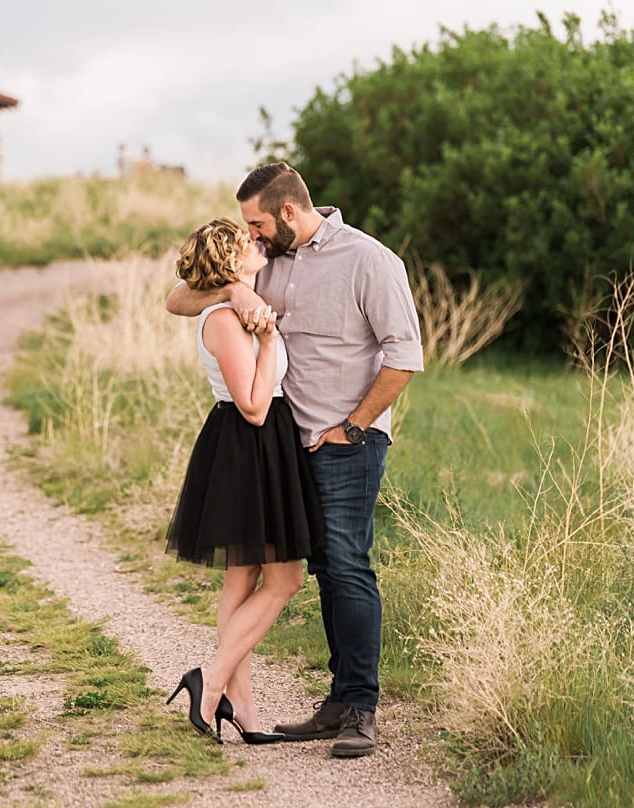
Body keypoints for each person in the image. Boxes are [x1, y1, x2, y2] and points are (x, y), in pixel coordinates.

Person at [166, 163, 424, 758]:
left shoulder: (370, 261)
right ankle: (331, 703)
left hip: (342, 442)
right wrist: (233, 289)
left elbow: (404, 357)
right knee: (304, 570)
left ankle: (359, 706)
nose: (249, 235)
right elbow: (181, 297)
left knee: (344, 564)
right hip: (278, 448)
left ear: (287, 212)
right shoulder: (267, 259)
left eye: (255, 222)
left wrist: (353, 429)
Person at [163, 216, 325, 747]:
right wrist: (272, 338)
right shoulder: (225, 320)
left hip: (263, 445)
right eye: (246, 243)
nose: (258, 244)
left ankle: (245, 714)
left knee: (242, 581)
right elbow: (254, 406)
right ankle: (208, 684)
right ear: (230, 264)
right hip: (251, 444)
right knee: (286, 581)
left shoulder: (237, 305)